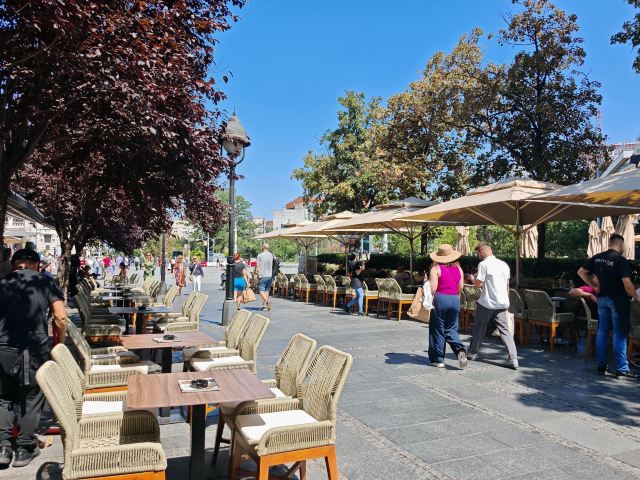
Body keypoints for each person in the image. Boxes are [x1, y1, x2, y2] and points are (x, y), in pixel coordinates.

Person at [0, 248, 68, 467]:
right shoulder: (45, 282)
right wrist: (60, 343)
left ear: (14, 264)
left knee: (4, 398)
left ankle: (3, 448)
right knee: (32, 398)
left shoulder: (2, 283)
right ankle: (25, 448)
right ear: (37, 264)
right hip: (32, 349)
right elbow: (61, 317)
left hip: (3, 349)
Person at [578, 234, 640, 378]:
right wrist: (637, 297)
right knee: (619, 334)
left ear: (610, 243)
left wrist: (594, 286)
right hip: (618, 301)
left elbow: (581, 272)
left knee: (602, 331)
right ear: (620, 244)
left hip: (602, 299)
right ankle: (622, 369)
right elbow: (627, 284)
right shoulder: (621, 260)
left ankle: (601, 366)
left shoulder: (597, 257)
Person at [467, 242, 519, 369]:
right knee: (505, 330)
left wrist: (472, 278)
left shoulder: (483, 264)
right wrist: (506, 300)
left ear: (482, 250)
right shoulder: (504, 264)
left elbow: (478, 284)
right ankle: (513, 358)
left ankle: (473, 353)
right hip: (502, 302)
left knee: (479, 328)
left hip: (487, 302)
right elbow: (507, 285)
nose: (478, 255)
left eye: (478, 252)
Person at [428, 244, 467, 369]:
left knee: (437, 329)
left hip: (440, 299)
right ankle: (460, 349)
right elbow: (461, 287)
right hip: (454, 299)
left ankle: (438, 359)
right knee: (451, 329)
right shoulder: (459, 268)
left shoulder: (435, 269)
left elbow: (433, 289)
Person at [256, 243, 274, 311]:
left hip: (263, 275)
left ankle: (267, 301)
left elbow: (257, 267)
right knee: (266, 290)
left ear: (262, 247)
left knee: (261, 290)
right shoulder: (271, 255)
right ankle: (264, 306)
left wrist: (257, 274)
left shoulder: (259, 255)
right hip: (270, 275)